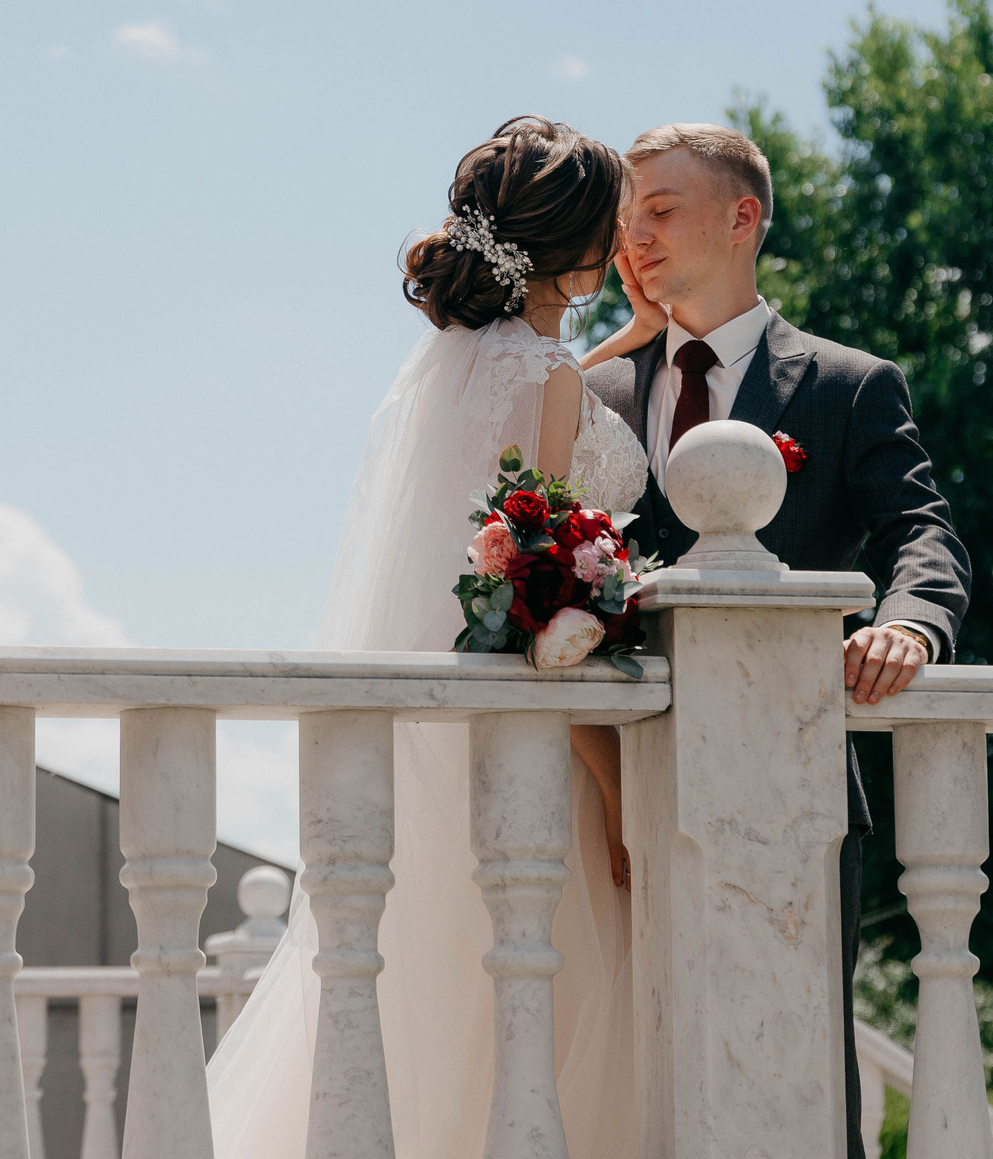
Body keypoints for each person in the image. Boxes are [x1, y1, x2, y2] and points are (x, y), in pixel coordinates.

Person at [207, 115, 664, 1159]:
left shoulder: (454, 366)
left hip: (434, 753)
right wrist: (615, 788)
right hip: (540, 754)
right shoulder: (544, 378)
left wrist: (620, 345)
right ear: (579, 246)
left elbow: (518, 480)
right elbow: (535, 606)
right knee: (537, 1028)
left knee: (439, 1016)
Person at [581, 121, 973, 1159]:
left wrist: (907, 625)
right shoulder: (595, 392)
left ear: (742, 216)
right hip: (601, 791)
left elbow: (922, 533)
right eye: (625, 220)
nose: (633, 239)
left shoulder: (848, 385)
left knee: (799, 1073)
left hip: (792, 790)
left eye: (660, 210)